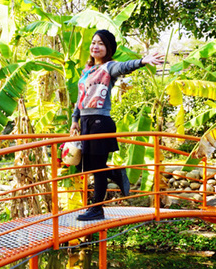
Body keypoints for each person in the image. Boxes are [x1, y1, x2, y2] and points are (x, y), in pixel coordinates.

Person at [70, 29, 165, 221]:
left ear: (108, 48)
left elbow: (124, 67)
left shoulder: (109, 67)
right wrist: (74, 120)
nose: (95, 46)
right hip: (86, 122)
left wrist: (142, 61)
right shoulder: (86, 71)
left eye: (101, 44)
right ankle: (115, 173)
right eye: (94, 42)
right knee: (89, 167)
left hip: (100, 122)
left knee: (97, 169)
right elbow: (81, 98)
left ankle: (97, 209)